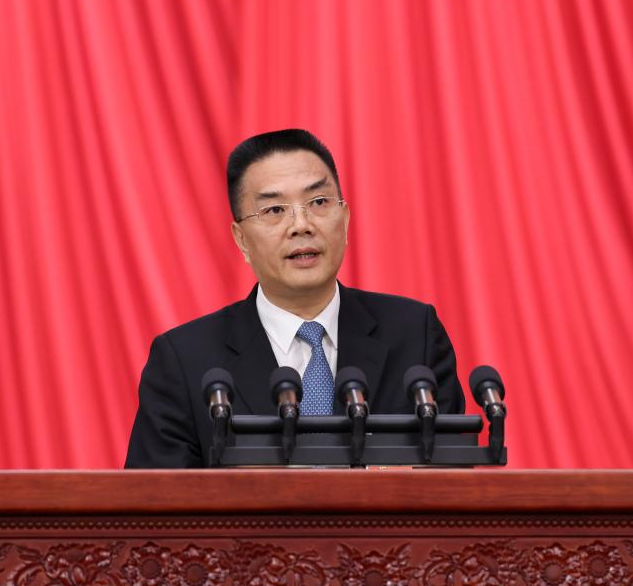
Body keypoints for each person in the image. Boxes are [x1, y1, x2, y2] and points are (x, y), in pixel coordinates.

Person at [124, 129, 464, 468]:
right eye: (274, 210)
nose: (301, 225)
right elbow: (155, 497)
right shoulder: (185, 361)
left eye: (319, 203)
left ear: (345, 219)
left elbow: (454, 483)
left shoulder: (414, 336)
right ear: (241, 239)